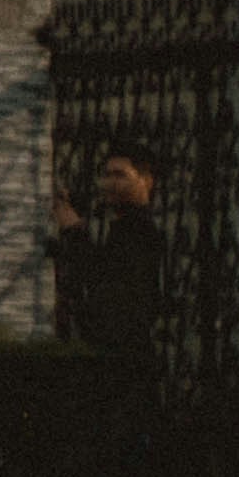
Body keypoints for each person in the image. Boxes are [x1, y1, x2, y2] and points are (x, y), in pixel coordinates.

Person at [49, 146, 164, 360]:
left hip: (125, 352)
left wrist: (74, 232)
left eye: (120, 175)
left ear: (146, 181)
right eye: (107, 175)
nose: (110, 183)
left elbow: (104, 278)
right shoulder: (123, 227)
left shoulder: (140, 231)